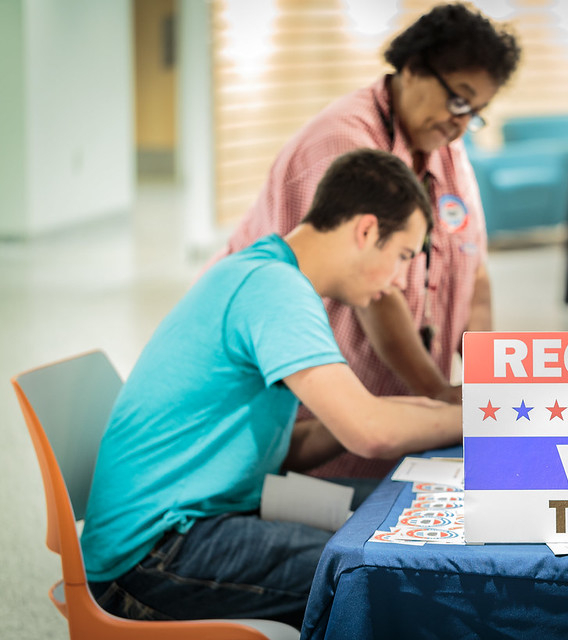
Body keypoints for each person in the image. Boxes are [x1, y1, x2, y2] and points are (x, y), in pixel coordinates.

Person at [80, 149, 463, 628]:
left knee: (401, 504)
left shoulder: (263, 272)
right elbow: (370, 433)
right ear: (366, 231)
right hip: (153, 556)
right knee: (386, 569)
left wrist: (407, 408)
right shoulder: (275, 289)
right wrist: (481, 415)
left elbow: (291, 445)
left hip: (200, 516)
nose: (399, 280)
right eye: (403, 256)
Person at [203, 3, 520, 477]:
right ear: (413, 69)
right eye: (459, 100)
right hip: (309, 418)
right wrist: (436, 394)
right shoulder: (343, 143)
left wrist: (486, 387)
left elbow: (472, 270)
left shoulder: (446, 148)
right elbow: (373, 288)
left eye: (476, 113)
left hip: (382, 412)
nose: (461, 123)